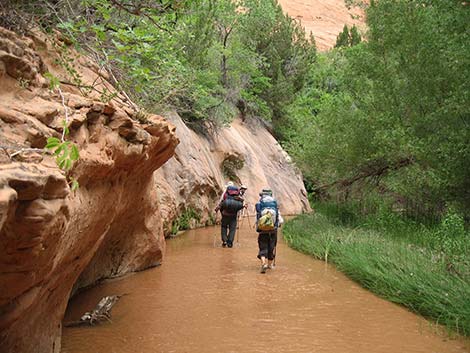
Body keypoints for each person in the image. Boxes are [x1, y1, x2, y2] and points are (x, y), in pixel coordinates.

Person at [255, 188, 282, 273]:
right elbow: (280, 220)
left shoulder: (260, 204)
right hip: (273, 230)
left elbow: (258, 217)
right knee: (271, 247)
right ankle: (270, 265)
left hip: (262, 230)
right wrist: (278, 224)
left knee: (263, 247)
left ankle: (263, 264)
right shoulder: (275, 204)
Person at [215, 182, 244, 248]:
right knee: (232, 229)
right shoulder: (237, 194)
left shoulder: (225, 194)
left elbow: (221, 202)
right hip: (234, 215)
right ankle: (230, 242)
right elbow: (241, 204)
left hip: (225, 214)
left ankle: (224, 240)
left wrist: (218, 209)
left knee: (224, 227)